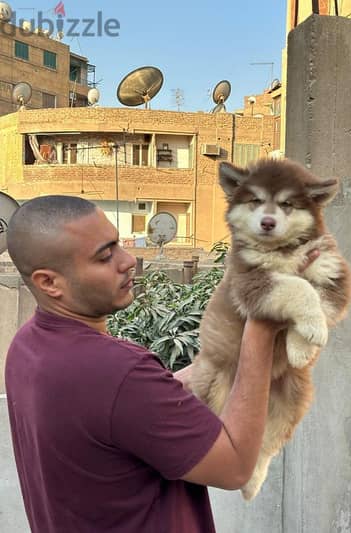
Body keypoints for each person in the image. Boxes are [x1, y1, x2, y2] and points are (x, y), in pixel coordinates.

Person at [5, 195, 318, 533]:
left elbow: (131, 408)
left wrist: (224, 356)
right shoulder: (115, 372)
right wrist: (261, 326)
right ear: (49, 282)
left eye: (120, 245)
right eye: (105, 256)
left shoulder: (28, 346)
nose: (127, 261)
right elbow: (235, 467)